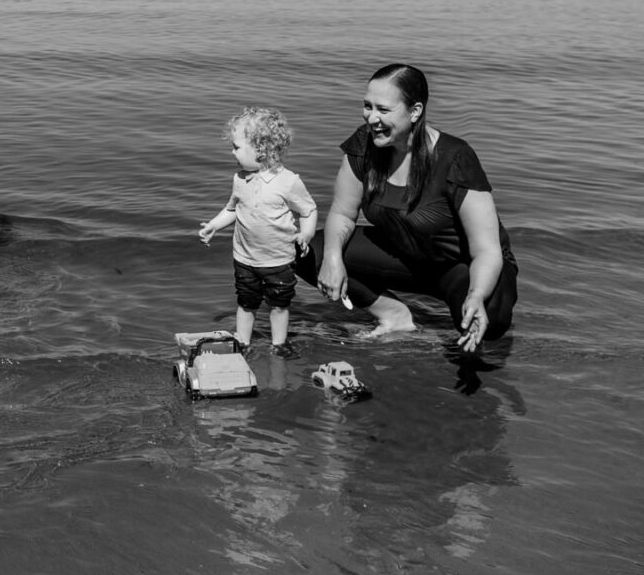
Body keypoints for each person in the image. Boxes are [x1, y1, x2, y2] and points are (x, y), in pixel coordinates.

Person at [303, 63, 517, 353]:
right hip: (404, 254)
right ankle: (394, 315)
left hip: (459, 266)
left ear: (415, 111)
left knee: (489, 324)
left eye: (383, 109)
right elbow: (342, 213)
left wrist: (477, 295)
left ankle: (469, 302)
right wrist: (331, 258)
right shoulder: (363, 146)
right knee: (308, 252)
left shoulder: (455, 159)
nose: (372, 118)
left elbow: (487, 250)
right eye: (368, 106)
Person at [198, 107, 318, 356]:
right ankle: (243, 342)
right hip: (245, 258)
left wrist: (305, 235)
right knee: (246, 302)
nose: (232, 152)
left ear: (261, 149)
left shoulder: (288, 182)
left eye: (237, 147)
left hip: (279, 259)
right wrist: (214, 225)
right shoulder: (239, 179)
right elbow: (232, 209)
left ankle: (279, 343)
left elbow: (308, 210)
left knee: (279, 304)